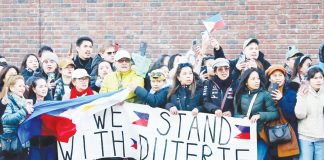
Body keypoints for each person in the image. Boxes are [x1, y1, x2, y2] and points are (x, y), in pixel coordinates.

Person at [234, 68, 278, 160]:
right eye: (253, 79)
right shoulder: (239, 95)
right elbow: (235, 114)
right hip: (243, 132)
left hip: (261, 134)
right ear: (246, 82)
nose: (257, 81)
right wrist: (242, 118)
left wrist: (259, 115)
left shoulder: (265, 95)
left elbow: (274, 113)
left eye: (258, 78)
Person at [265, 65, 300, 159]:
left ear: (284, 77)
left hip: (287, 137)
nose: (278, 78)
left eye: (280, 75)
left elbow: (292, 116)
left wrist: (281, 99)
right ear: (269, 79)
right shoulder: (265, 93)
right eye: (274, 75)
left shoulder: (291, 92)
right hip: (269, 138)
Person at [0, 75, 33, 159]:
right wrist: (24, 111)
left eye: (23, 85)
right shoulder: (8, 101)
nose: (22, 88)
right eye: (19, 86)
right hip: (11, 143)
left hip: (22, 142)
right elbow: (5, 119)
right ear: (11, 88)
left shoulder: (24, 101)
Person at [295, 67, 324, 160]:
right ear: (309, 80)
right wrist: (302, 97)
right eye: (315, 78)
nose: (318, 80)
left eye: (320, 77)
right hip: (306, 137)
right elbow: (300, 115)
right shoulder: (303, 92)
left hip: (322, 138)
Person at [26, 77, 57, 160]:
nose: (44, 89)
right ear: (34, 89)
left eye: (45, 86)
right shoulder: (29, 105)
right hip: (34, 145)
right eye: (40, 87)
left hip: (50, 144)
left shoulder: (52, 105)